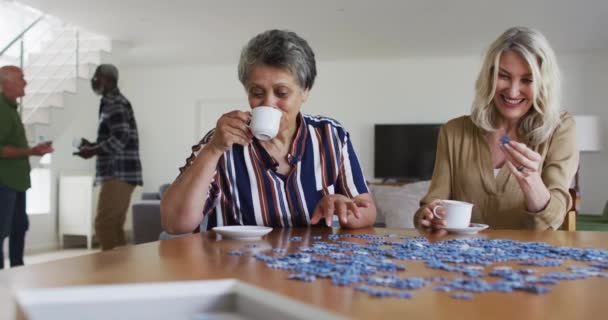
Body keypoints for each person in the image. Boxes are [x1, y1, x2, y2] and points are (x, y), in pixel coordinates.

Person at [161, 30, 376, 233]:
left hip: (310, 267)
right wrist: (213, 150)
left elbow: (367, 210)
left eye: (282, 93)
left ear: (305, 92)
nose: (268, 103)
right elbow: (174, 223)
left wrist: (346, 209)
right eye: (257, 92)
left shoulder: (331, 136)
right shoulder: (221, 142)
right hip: (238, 266)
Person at [414, 27, 578, 231]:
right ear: (489, 77)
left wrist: (532, 182)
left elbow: (553, 219)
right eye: (504, 76)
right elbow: (431, 205)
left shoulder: (560, 128)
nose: (513, 90)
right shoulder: (454, 131)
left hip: (531, 260)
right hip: (462, 259)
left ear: (544, 84)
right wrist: (429, 217)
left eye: (527, 80)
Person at [75, 64, 143, 250]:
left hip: (118, 172)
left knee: (104, 225)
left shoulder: (114, 102)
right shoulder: (112, 101)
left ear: (108, 79)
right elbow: (117, 136)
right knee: (113, 226)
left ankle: (111, 273)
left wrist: (94, 150)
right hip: (121, 172)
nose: (94, 80)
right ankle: (121, 274)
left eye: (97, 76)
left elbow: (121, 137)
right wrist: (93, 145)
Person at [0, 65, 53, 269]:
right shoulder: (2, 109)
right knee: (3, 231)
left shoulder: (11, 108)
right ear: (6, 84)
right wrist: (31, 152)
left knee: (19, 228)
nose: (26, 82)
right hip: (5, 183)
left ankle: (17, 270)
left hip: (17, 182)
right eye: (21, 78)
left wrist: (32, 149)